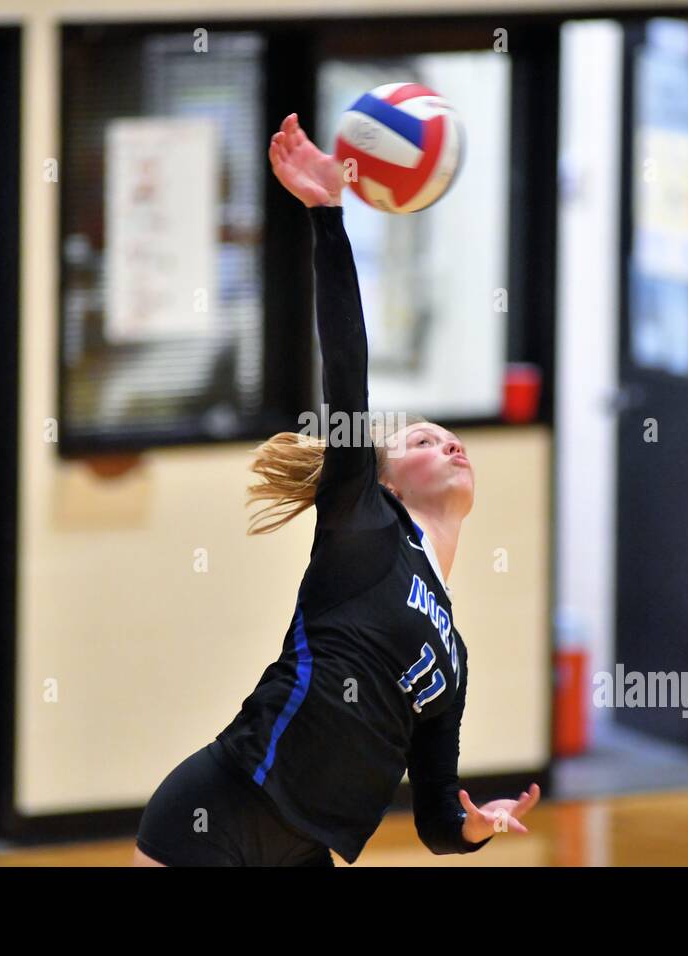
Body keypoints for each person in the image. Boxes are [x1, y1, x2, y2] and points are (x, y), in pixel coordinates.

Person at [134, 113, 539, 866]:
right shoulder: (363, 523)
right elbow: (347, 367)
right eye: (420, 438)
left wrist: (477, 824)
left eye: (451, 437)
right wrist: (328, 218)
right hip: (219, 810)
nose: (447, 440)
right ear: (381, 476)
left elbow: (434, 818)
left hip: (303, 851)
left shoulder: (452, 655)